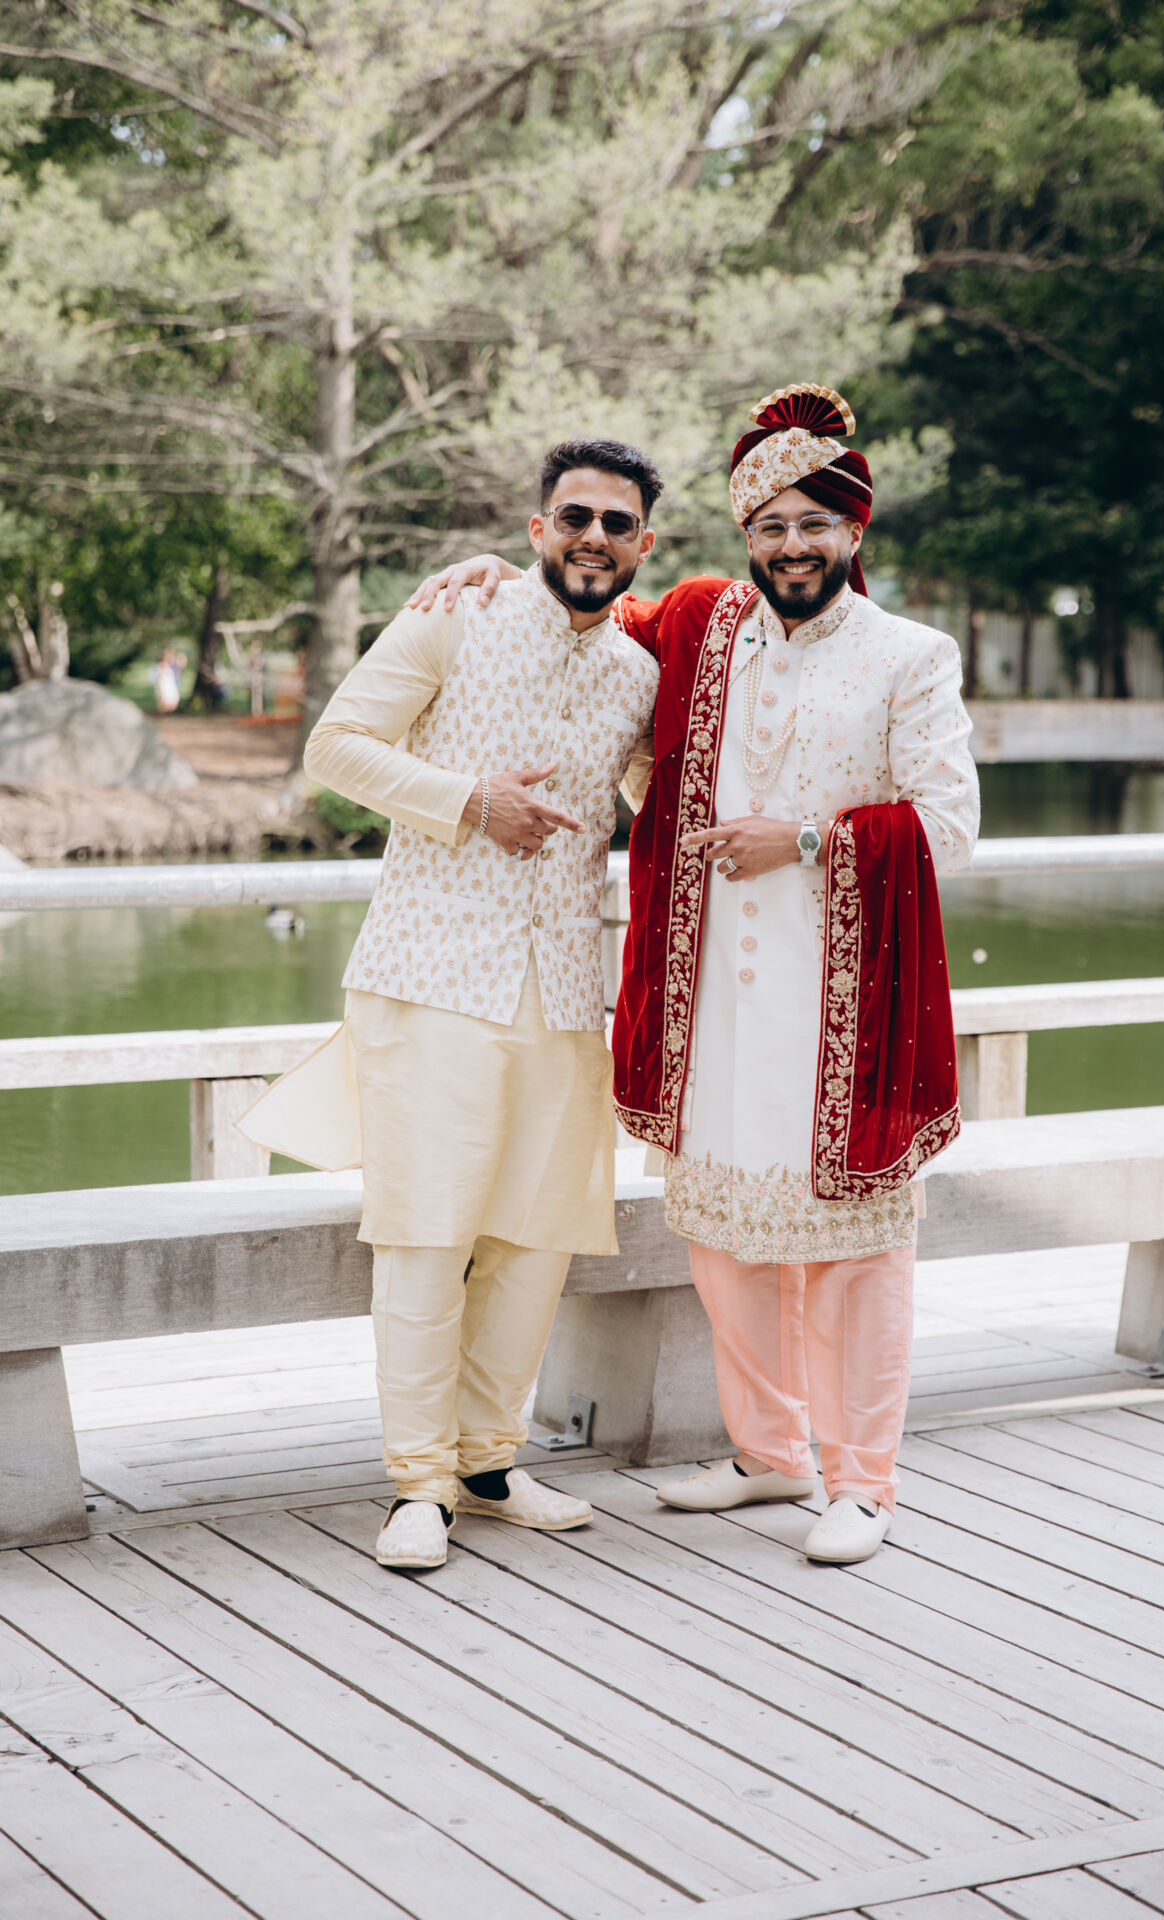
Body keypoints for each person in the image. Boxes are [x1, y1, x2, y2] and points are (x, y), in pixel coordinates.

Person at [412, 384, 979, 1565]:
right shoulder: (705, 626)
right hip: (712, 996)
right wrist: (492, 571)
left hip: (841, 1006)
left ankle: (860, 1482)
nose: (790, 546)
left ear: (853, 530)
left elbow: (947, 827)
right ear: (743, 535)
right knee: (725, 1236)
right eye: (768, 526)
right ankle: (772, 1454)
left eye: (812, 525)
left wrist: (806, 839)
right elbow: (584, 595)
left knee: (851, 1248)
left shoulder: (908, 656)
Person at [242, 438, 661, 1571]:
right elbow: (336, 747)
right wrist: (470, 800)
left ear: (643, 545)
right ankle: (416, 1484)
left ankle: (487, 1464)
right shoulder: (452, 616)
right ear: (536, 529)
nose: (593, 537)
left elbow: (660, 796)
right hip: (433, 975)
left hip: (565, 988)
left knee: (535, 1236)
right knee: (426, 1236)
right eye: (573, 517)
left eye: (616, 523)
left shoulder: (637, 674)